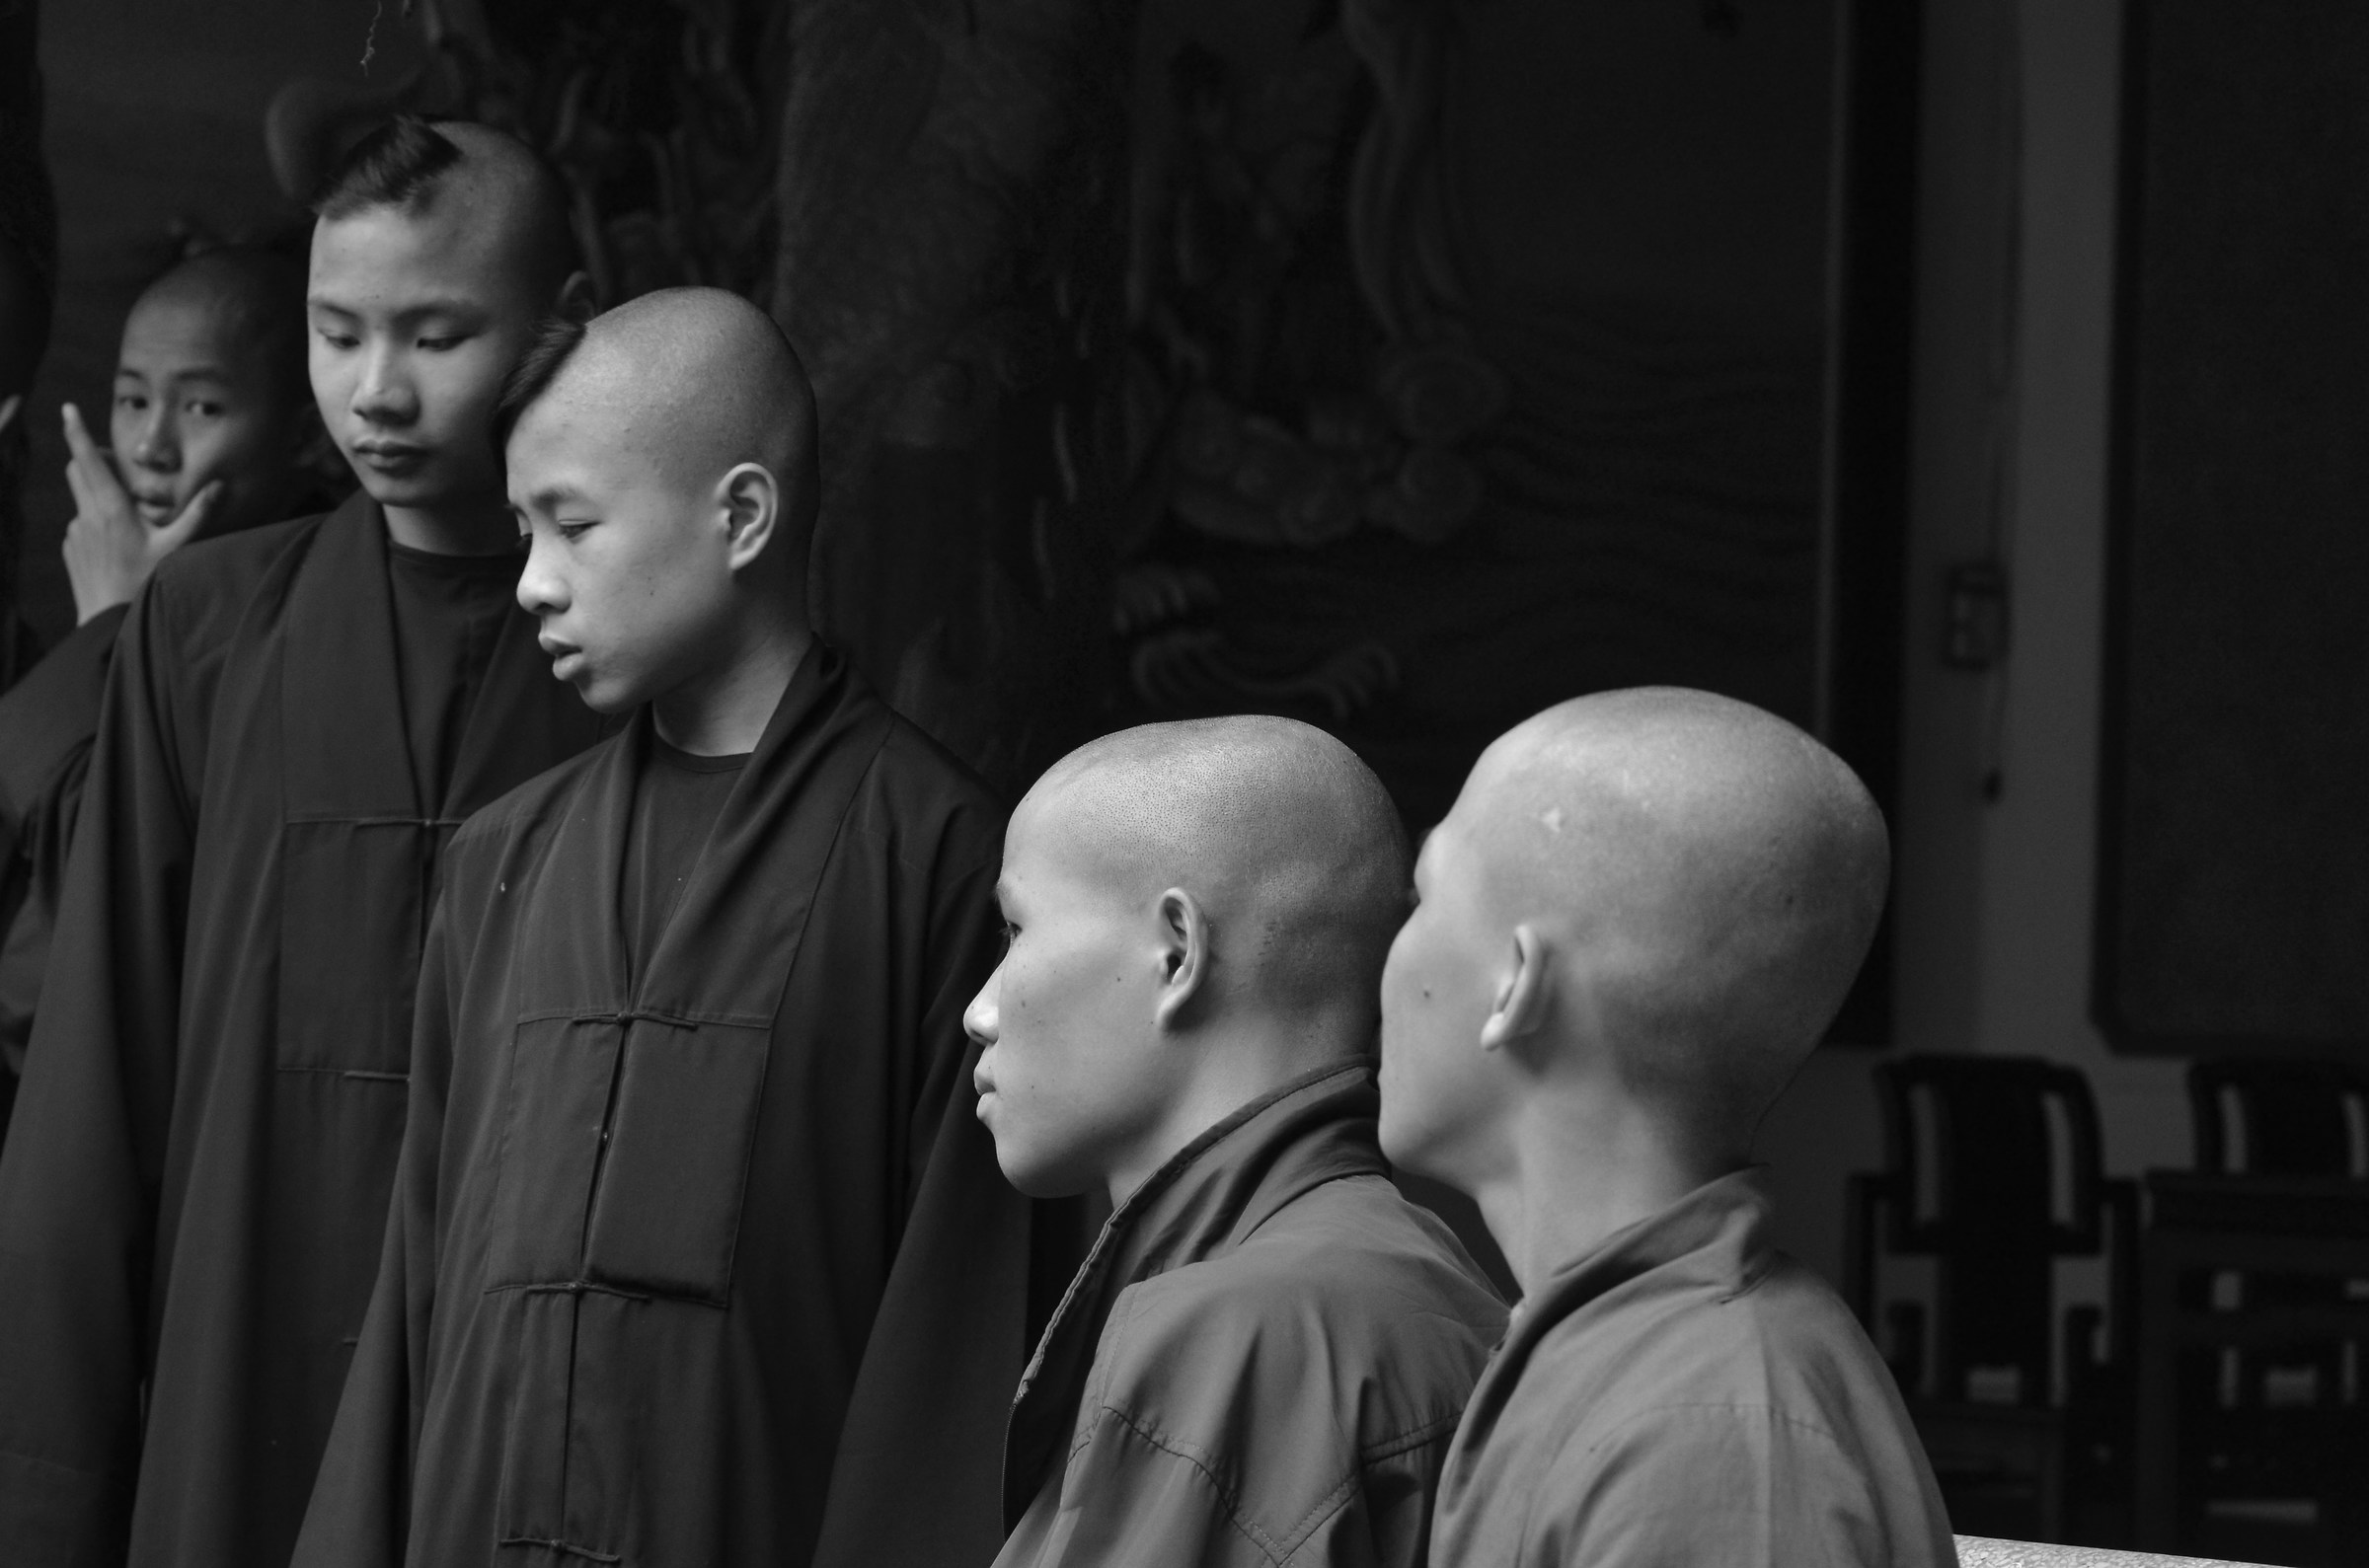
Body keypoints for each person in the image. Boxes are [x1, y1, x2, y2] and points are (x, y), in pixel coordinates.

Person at [293, 286, 1050, 1568]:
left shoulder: (942, 862)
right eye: (523, 530)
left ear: (742, 515)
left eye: (571, 527)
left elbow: (953, 1350)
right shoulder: (503, 863)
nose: (531, 582)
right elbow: (420, 1288)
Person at [0, 118, 608, 1568]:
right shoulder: (206, 632)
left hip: (521, 1389)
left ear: (564, 326)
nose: (377, 393)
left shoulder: (624, 656)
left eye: (438, 334)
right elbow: (97, 1072)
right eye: (339, 334)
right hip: (229, 1371)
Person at [1379, 688, 1956, 1567]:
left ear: (1515, 984)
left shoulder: (1705, 1437)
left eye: (1420, 896)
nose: (1388, 950)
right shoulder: (1603, 1349)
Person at [967, 716, 1507, 1568]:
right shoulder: (1422, 1275)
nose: (980, 1011)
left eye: (1015, 931)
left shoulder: (1237, 1333)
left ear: (1176, 952)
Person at [0, 246, 330, 1123]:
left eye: (202, 406)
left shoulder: (308, 616)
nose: (150, 447)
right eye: (134, 399)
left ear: (305, 431)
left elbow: (88, 891)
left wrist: (112, 621)